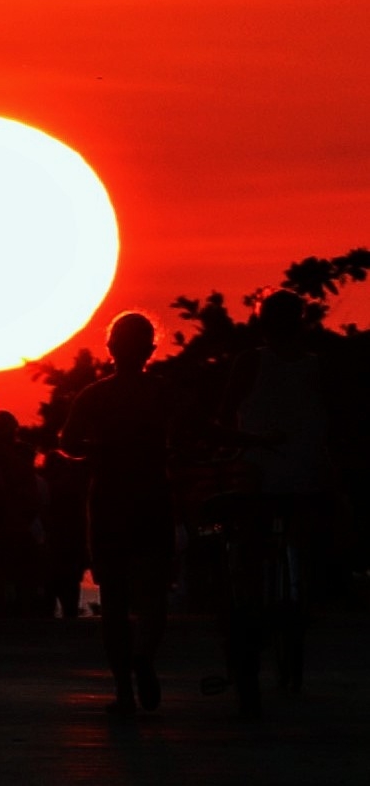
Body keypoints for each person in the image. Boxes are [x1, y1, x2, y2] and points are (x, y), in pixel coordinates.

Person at [214, 288, 331, 717]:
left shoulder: (251, 362)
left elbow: (225, 414)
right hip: (306, 478)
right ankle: (307, 599)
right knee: (306, 545)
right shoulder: (318, 367)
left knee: (247, 554)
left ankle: (248, 610)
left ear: (261, 323)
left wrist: (232, 441)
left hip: (257, 477)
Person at [59, 312, 174, 714]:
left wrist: (99, 450)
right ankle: (144, 656)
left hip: (108, 498)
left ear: (111, 349)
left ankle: (124, 689)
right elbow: (195, 432)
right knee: (154, 594)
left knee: (115, 598)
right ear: (150, 350)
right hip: (153, 498)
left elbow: (69, 442)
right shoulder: (163, 391)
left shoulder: (94, 395)